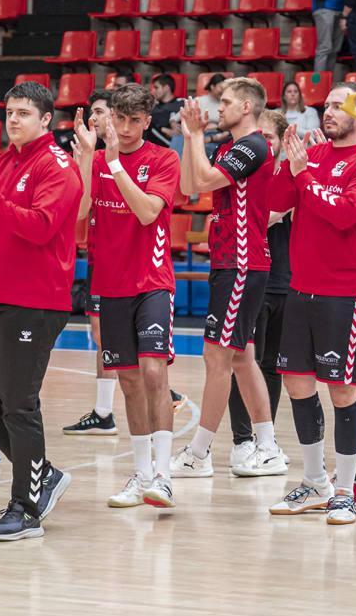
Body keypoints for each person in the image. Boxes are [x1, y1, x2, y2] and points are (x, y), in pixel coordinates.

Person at [0, 82, 82, 541]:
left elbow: (42, 228)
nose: (14, 119)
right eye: (10, 112)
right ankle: (43, 475)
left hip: (35, 300)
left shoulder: (58, 166)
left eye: (25, 113)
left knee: (18, 404)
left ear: (47, 120)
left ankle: (25, 508)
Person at [266, 84, 356, 526]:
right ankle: (315, 482)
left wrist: (304, 176)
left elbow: (345, 213)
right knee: (296, 382)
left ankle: (346, 489)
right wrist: (286, 167)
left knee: (342, 390)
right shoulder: (310, 157)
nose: (327, 111)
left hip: (346, 293)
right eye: (326, 104)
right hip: (302, 288)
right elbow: (276, 204)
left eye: (338, 105)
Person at [168, 78, 285, 478]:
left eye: (228, 102)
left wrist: (197, 137)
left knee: (216, 356)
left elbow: (204, 181)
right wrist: (190, 138)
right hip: (230, 261)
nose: (221, 108)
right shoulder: (228, 148)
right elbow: (188, 186)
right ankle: (268, 446)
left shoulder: (253, 146)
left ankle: (198, 454)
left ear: (248, 107)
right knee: (241, 358)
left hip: (241, 261)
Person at [86, 83, 182, 510]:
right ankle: (141, 473)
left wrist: (113, 166)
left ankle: (163, 477)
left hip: (152, 282)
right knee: (127, 381)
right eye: (118, 119)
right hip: (110, 284)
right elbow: (77, 216)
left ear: (147, 121)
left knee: (154, 374)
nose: (124, 129)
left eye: (133, 120)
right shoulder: (94, 159)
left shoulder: (164, 158)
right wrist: (83, 159)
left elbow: (147, 212)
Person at [227, 109, 292, 465]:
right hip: (251, 279)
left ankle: (266, 438)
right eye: (260, 135)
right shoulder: (242, 176)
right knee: (242, 360)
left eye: (270, 137)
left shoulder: (288, 174)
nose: (264, 142)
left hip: (285, 281)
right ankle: (242, 440)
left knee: (272, 365)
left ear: (281, 142)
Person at [65, 89, 120, 437]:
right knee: (101, 336)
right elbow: (81, 208)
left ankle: (160, 392)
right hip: (100, 259)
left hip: (132, 263)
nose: (94, 118)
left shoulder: (128, 157)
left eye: (100, 112)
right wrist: (84, 157)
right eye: (92, 113)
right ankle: (103, 412)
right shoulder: (92, 159)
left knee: (118, 339)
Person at [146, 74, 181, 148]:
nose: (153, 91)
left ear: (166, 88)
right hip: (156, 142)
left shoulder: (181, 103)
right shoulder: (153, 106)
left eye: (156, 88)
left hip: (174, 143)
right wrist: (163, 129)